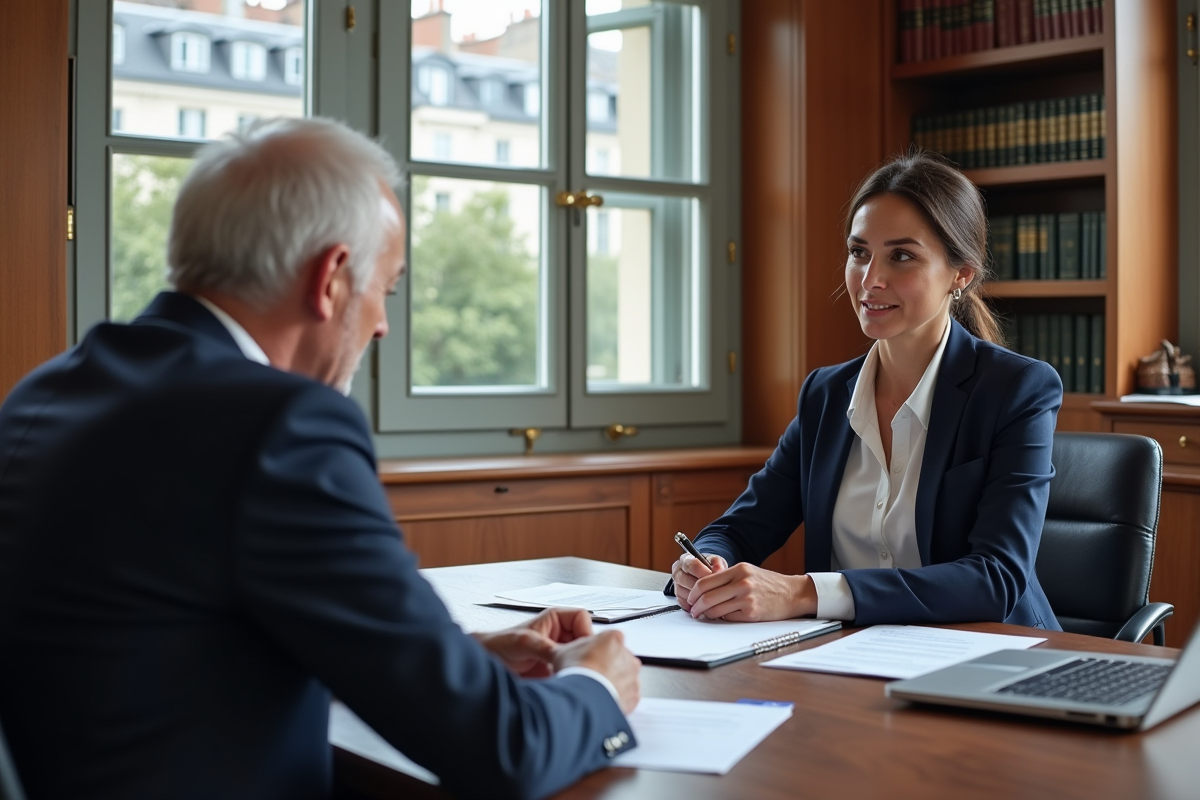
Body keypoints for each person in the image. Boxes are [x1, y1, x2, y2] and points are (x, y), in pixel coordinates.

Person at [0, 117, 640, 800]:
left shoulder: (48, 390)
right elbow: (504, 750)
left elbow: (157, 639)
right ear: (332, 278)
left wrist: (451, 661)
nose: (383, 325)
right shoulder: (281, 425)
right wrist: (597, 684)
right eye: (385, 291)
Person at [671, 151, 1063, 630]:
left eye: (901, 256)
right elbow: (740, 527)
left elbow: (995, 579)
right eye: (859, 253)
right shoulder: (826, 395)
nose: (870, 280)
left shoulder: (1017, 389)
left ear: (960, 274)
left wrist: (802, 592)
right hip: (851, 658)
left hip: (989, 655)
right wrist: (705, 563)